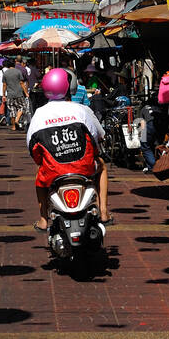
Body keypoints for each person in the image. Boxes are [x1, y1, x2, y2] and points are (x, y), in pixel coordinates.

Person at [26, 67, 112, 232]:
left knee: (39, 175)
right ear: (68, 87)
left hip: (53, 171)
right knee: (101, 165)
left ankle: (44, 219)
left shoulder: (39, 114)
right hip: (83, 168)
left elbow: (32, 149)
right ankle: (104, 212)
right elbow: (97, 137)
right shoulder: (81, 110)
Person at [2, 56, 28, 131]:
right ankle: (17, 120)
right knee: (22, 107)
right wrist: (26, 92)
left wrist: (4, 95)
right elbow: (21, 83)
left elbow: (4, 85)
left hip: (10, 94)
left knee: (12, 110)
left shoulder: (5, 73)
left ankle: (13, 126)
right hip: (19, 93)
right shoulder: (18, 72)